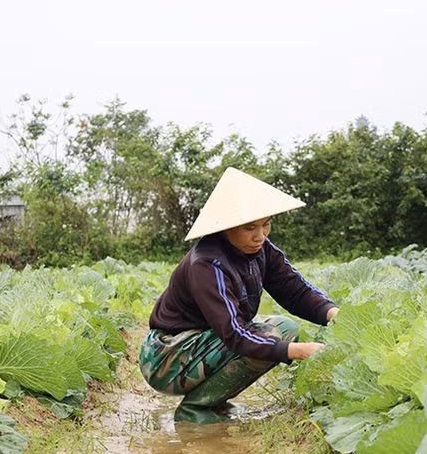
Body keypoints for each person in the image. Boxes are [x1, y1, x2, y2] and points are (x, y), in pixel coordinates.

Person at [139, 168, 340, 423]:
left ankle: (216, 401)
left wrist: (335, 315)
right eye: (250, 227)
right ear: (226, 227)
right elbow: (234, 333)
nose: (260, 235)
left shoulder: (261, 249)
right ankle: (195, 409)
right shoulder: (207, 263)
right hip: (168, 355)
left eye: (266, 224)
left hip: (206, 342)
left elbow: (296, 290)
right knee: (274, 338)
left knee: (285, 329)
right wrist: (298, 351)